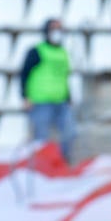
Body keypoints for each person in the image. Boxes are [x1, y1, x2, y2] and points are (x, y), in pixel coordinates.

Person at [19, 18, 77, 165]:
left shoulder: (63, 52)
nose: (57, 33)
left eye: (59, 29)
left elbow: (62, 76)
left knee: (70, 133)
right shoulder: (37, 51)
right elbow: (24, 74)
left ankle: (63, 163)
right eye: (54, 29)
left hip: (61, 101)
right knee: (41, 138)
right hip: (40, 101)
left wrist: (69, 96)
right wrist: (25, 97)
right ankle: (40, 166)